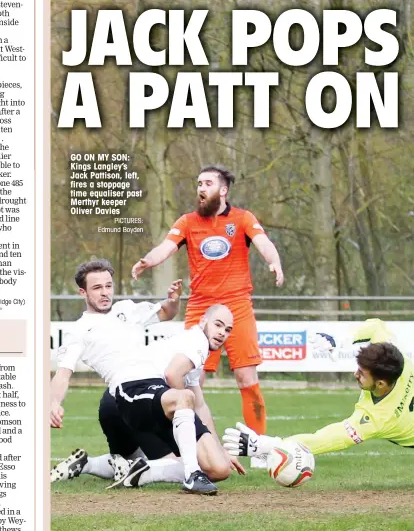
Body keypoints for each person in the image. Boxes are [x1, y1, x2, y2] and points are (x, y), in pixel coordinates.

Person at [131, 164, 284, 467]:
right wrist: (147, 261)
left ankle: (258, 447)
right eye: (198, 183)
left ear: (223, 190)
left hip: (237, 304)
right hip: (201, 306)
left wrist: (274, 260)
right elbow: (166, 247)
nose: (201, 188)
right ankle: (186, 447)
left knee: (246, 376)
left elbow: (264, 243)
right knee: (188, 379)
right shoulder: (188, 222)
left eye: (208, 183)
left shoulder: (243, 219)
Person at [50, 259, 233, 495]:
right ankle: (191, 476)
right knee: (184, 396)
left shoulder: (126, 308)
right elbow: (63, 373)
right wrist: (54, 402)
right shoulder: (79, 330)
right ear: (82, 292)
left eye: (108, 285)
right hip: (130, 390)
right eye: (97, 288)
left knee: (220, 468)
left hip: (158, 389)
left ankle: (146, 469)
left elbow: (167, 312)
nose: (105, 293)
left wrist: (173, 300)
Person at [222, 319, 414, 460]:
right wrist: (341, 340)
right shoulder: (399, 361)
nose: (356, 375)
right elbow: (377, 327)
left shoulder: (376, 419)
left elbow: (324, 440)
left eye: (362, 374)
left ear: (381, 384)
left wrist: (268, 445)